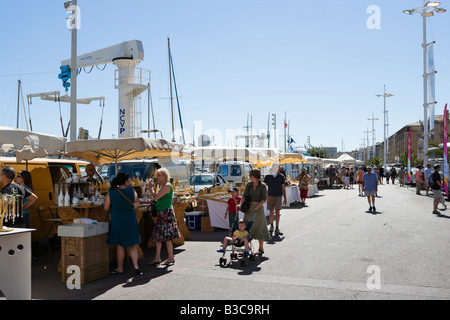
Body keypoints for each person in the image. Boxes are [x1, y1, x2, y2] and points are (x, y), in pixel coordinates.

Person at [105, 172, 142, 275]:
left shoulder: (111, 192)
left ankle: (120, 268)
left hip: (118, 220)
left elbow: (106, 207)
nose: (129, 182)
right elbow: (136, 201)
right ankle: (136, 266)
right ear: (125, 181)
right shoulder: (132, 191)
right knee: (132, 244)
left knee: (120, 245)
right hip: (130, 219)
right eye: (128, 180)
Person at [148, 168, 180, 266]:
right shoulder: (163, 186)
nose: (157, 178)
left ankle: (169, 257)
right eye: (157, 175)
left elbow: (156, 197)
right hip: (163, 213)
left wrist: (151, 189)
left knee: (166, 236)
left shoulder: (166, 186)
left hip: (166, 213)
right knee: (160, 235)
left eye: (159, 175)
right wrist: (152, 190)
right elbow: (157, 198)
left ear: (165, 176)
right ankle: (160, 257)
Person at [237, 169, 270, 255]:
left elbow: (264, 199)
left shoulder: (262, 186)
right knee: (246, 227)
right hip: (249, 208)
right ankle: (246, 248)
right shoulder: (249, 184)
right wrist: (240, 205)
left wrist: (258, 206)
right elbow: (244, 196)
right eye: (250, 176)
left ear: (256, 177)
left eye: (251, 176)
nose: (250, 177)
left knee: (260, 227)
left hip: (258, 209)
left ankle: (261, 247)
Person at [263, 163, 286, 235]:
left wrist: (285, 198)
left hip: (278, 196)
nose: (276, 168)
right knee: (271, 211)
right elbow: (264, 187)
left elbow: (283, 188)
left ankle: (277, 227)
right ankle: (272, 225)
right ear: (272, 167)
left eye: (277, 167)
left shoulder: (281, 176)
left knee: (278, 212)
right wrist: (266, 196)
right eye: (275, 167)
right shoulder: (268, 176)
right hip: (270, 196)